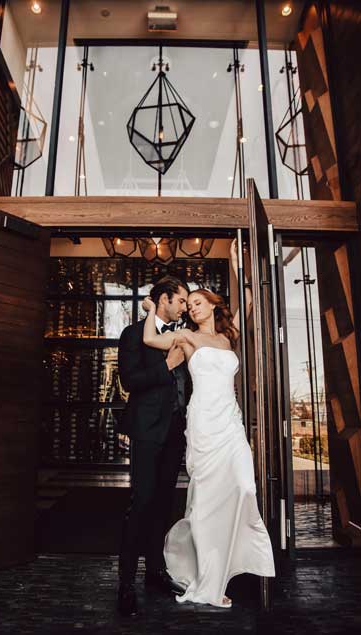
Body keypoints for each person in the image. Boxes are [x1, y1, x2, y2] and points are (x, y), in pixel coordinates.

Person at [141, 239, 275, 608]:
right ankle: (209, 576)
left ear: (214, 304)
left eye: (197, 301)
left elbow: (251, 298)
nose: (191, 307)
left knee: (245, 487)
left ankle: (237, 560)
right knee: (205, 501)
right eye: (188, 303)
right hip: (203, 424)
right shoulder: (186, 337)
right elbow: (151, 338)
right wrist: (152, 307)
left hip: (230, 423)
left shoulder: (227, 337)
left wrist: (236, 263)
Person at [117, 275, 192, 616]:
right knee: (142, 503)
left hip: (176, 432)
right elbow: (131, 381)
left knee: (163, 503)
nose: (184, 306)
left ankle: (156, 572)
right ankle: (126, 584)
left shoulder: (181, 334)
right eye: (180, 300)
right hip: (147, 431)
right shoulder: (134, 334)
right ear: (163, 299)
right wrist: (166, 367)